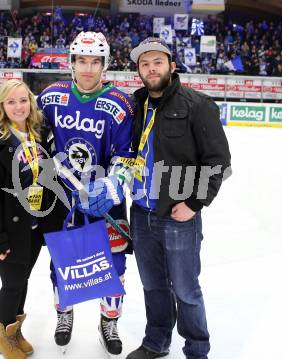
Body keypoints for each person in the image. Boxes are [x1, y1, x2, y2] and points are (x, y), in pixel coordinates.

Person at [77, 37, 232, 359]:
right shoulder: (136, 105)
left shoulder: (197, 105)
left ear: (172, 66)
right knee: (154, 287)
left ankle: (197, 350)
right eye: (144, 64)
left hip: (178, 215)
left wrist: (194, 203)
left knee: (186, 290)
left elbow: (218, 162)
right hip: (142, 212)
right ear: (139, 71)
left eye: (157, 62)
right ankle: (157, 343)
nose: (151, 68)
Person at [35, 31, 134, 355]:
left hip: (104, 202)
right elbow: (31, 137)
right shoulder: (51, 96)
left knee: (114, 264)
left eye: (95, 61)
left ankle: (109, 321)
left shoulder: (120, 104)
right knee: (62, 262)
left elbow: (126, 155)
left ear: (104, 64)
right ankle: (65, 314)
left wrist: (112, 184)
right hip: (63, 201)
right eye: (81, 61)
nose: (88, 68)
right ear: (72, 62)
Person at [0, 79, 48, 359]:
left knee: (23, 280)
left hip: (33, 227)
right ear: (1, 105)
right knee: (12, 283)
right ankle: (4, 338)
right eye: (11, 101)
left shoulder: (38, 134)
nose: (18, 106)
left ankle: (15, 332)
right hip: (7, 229)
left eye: (23, 100)